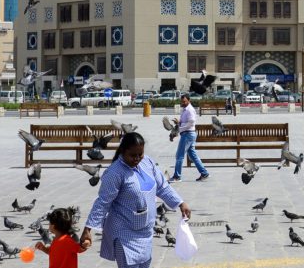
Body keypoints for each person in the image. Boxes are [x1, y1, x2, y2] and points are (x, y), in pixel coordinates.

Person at [82, 132, 190, 268]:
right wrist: (88, 229)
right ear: (123, 151)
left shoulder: (148, 162)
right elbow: (103, 203)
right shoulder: (115, 173)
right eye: (132, 155)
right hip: (123, 233)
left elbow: (162, 186)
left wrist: (180, 203)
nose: (137, 158)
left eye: (140, 154)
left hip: (145, 232)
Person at [169, 94, 210, 182]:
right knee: (193, 156)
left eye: (184, 101)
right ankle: (204, 173)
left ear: (189, 100)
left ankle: (177, 176)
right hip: (188, 134)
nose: (183, 103)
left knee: (179, 155)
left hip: (188, 134)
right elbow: (185, 122)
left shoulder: (190, 110)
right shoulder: (185, 109)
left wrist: (179, 129)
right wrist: (179, 122)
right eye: (182, 101)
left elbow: (191, 123)